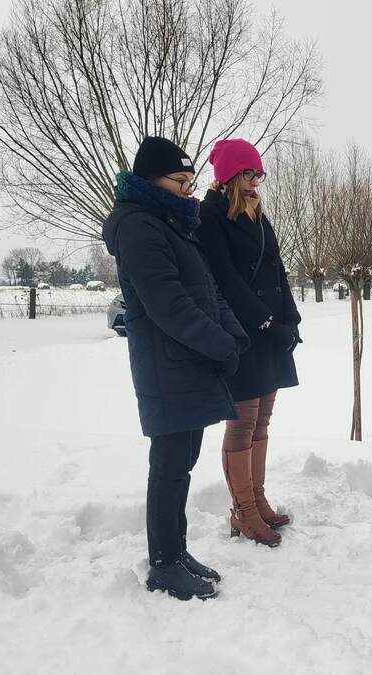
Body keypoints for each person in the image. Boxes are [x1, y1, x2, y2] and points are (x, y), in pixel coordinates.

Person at [102, 136, 248, 600]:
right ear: (151, 179)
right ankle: (163, 564)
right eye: (180, 181)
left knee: (182, 464)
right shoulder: (138, 226)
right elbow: (169, 304)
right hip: (166, 366)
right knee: (168, 466)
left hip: (192, 362)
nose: (189, 189)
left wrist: (233, 335)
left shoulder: (174, 222)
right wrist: (219, 345)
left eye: (190, 181)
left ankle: (177, 551)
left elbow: (209, 290)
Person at [198, 138, 301, 548]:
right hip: (243, 332)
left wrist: (290, 318)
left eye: (259, 173)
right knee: (242, 422)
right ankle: (243, 511)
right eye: (248, 173)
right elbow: (225, 279)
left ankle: (257, 501)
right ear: (229, 175)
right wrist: (265, 321)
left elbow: (276, 269)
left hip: (270, 332)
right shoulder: (210, 215)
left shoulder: (257, 213)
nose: (256, 180)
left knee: (262, 419)